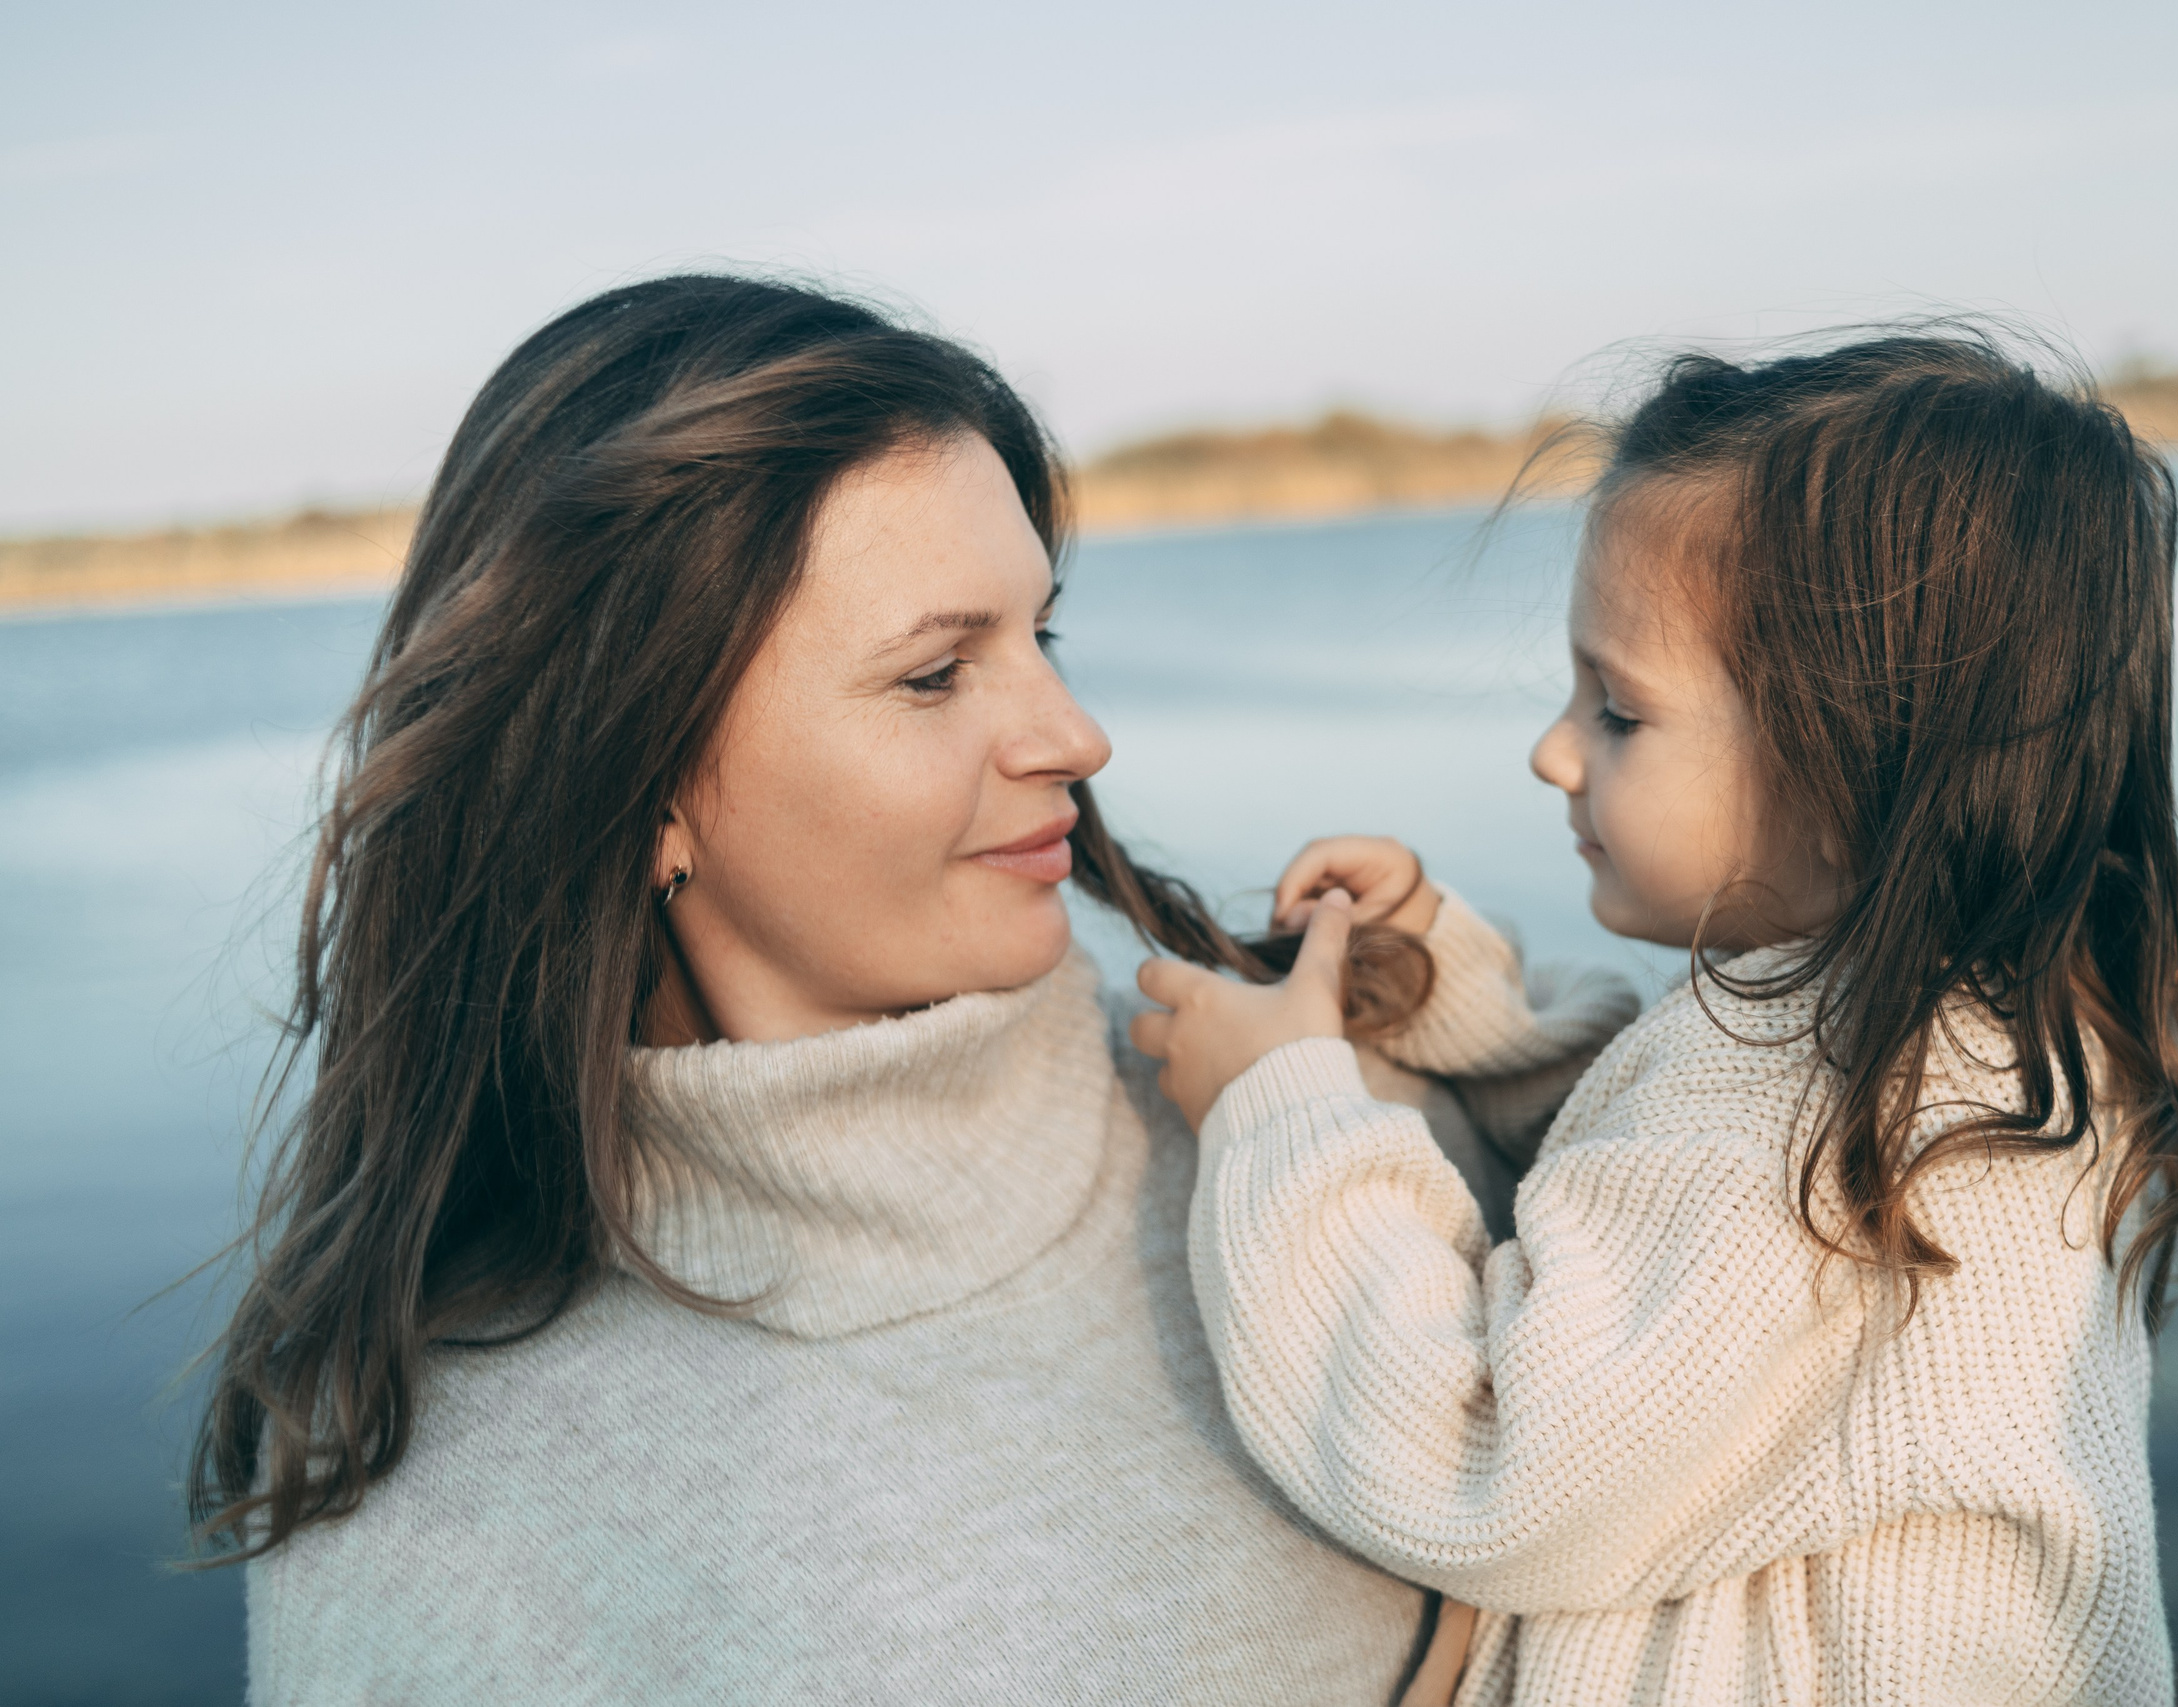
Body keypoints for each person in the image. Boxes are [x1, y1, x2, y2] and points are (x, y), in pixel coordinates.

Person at [189, 273, 1605, 1704]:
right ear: (640, 786)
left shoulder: (1319, 1119)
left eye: (1041, 638)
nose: (1076, 735)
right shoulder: (433, 1511)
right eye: (936, 674)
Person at [1132, 334, 2178, 1706]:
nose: (1554, 751)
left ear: (1855, 769)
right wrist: (1447, 990)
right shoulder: (2008, 1027)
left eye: (1620, 711)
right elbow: (1644, 1207)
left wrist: (1277, 1113)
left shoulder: (1802, 1108)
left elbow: (1487, 1460)